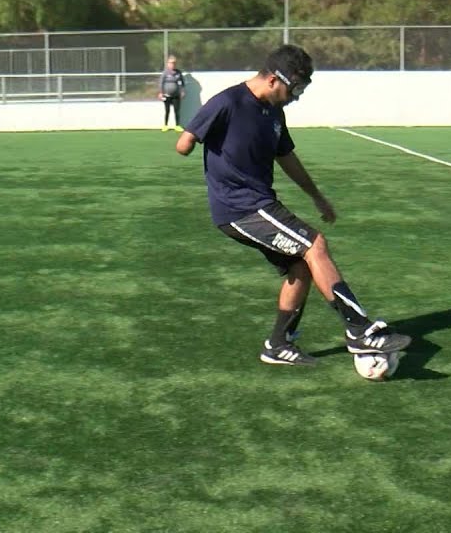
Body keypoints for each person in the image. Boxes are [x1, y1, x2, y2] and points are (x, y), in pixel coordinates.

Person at [175, 44, 412, 366]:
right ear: (274, 79)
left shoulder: (274, 112)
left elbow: (286, 157)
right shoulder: (228, 102)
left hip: (259, 204)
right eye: (295, 88)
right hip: (239, 208)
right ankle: (359, 330)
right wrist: (195, 143)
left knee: (300, 267)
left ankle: (277, 344)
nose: (296, 96)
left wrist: (316, 196)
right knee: (315, 245)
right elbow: (183, 143)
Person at [158, 56, 186, 131]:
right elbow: (161, 83)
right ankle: (165, 125)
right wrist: (161, 93)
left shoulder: (178, 72)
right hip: (166, 95)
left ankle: (177, 125)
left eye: (174, 63)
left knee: (177, 110)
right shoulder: (165, 73)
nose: (172, 64)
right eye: (171, 63)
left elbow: (182, 83)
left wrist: (182, 91)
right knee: (167, 110)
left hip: (176, 95)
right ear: (168, 64)